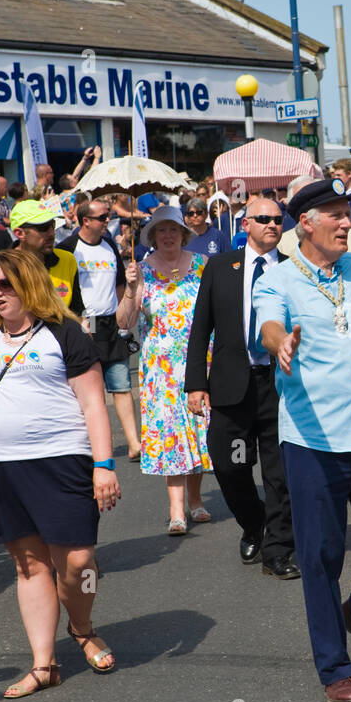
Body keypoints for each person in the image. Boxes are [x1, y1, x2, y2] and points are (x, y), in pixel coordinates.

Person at [0, 249, 120, 697]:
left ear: (30, 284)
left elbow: (93, 402)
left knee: (76, 561)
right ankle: (43, 663)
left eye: (7, 284)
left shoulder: (65, 334)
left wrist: (104, 464)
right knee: (30, 566)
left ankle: (82, 627)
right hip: (0, 468)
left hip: (62, 462)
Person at [253, 179, 351, 702]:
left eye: (348, 214)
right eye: (336, 216)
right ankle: (334, 665)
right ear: (307, 223)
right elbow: (269, 326)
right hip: (313, 437)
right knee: (320, 555)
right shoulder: (276, 279)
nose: (349, 223)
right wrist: (282, 344)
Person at [185, 198, 298, 578]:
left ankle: (278, 550)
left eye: (278, 220)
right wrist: (195, 384)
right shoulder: (221, 267)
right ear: (245, 224)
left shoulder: (293, 268)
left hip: (279, 384)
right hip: (233, 386)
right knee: (232, 465)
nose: (272, 225)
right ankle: (255, 523)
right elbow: (201, 327)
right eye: (263, 219)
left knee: (278, 472)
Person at [116, 204, 212, 534]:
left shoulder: (203, 265)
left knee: (197, 430)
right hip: (161, 366)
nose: (168, 235)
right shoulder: (140, 270)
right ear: (152, 237)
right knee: (172, 432)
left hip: (201, 360)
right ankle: (176, 512)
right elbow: (124, 323)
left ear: (183, 234)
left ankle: (196, 500)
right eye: (161, 231)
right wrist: (130, 290)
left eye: (173, 229)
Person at [57, 199, 141, 461]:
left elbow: (118, 285)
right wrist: (75, 321)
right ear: (85, 221)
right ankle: (89, 444)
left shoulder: (109, 246)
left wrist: (124, 309)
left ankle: (134, 443)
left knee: (121, 384)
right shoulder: (68, 249)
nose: (108, 220)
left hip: (110, 320)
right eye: (103, 217)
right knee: (87, 387)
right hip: (84, 320)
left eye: (108, 216)